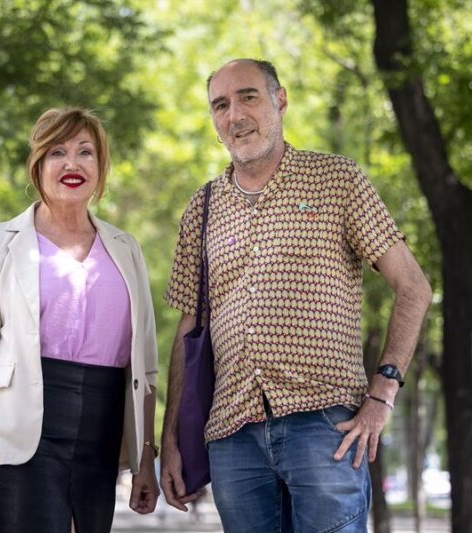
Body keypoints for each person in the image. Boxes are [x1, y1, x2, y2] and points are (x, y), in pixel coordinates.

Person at [160, 59, 432, 532]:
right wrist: (172, 440)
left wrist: (383, 393)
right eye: (220, 105)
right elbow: (188, 329)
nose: (235, 115)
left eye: (248, 97)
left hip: (326, 425)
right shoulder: (201, 208)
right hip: (232, 434)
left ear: (280, 100)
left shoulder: (337, 179)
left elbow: (414, 287)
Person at [0, 107, 160, 532]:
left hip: (101, 429)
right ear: (38, 165)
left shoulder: (126, 248)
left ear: (101, 167)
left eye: (86, 152)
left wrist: (143, 461)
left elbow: (144, 367)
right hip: (22, 433)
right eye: (58, 152)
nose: (73, 163)